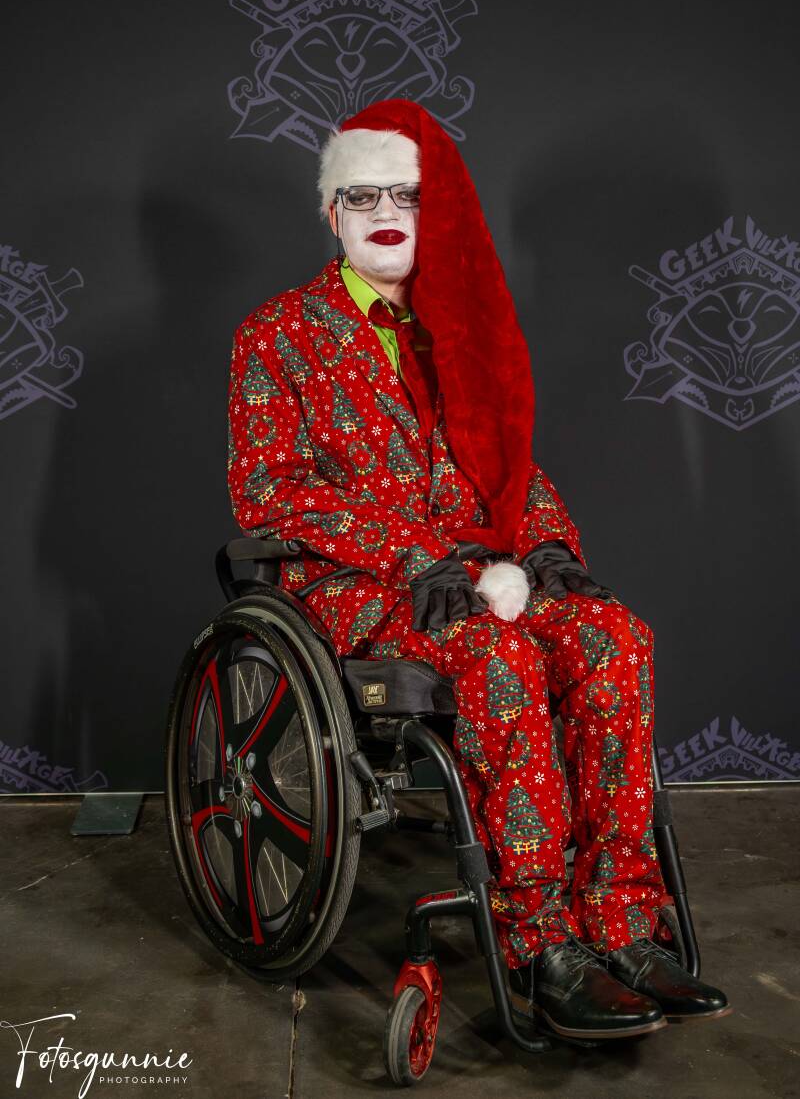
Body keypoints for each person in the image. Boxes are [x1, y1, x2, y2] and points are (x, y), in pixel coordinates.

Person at [226, 98, 731, 1040]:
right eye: (363, 194)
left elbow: (511, 464)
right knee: (497, 660)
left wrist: (544, 547)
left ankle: (623, 921)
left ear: (437, 212)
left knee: (614, 637)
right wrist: (419, 555)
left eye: (408, 196)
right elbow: (270, 494)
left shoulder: (460, 322)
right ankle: (541, 944)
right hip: (359, 584)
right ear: (331, 212)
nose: (386, 211)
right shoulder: (278, 334)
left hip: (481, 566)